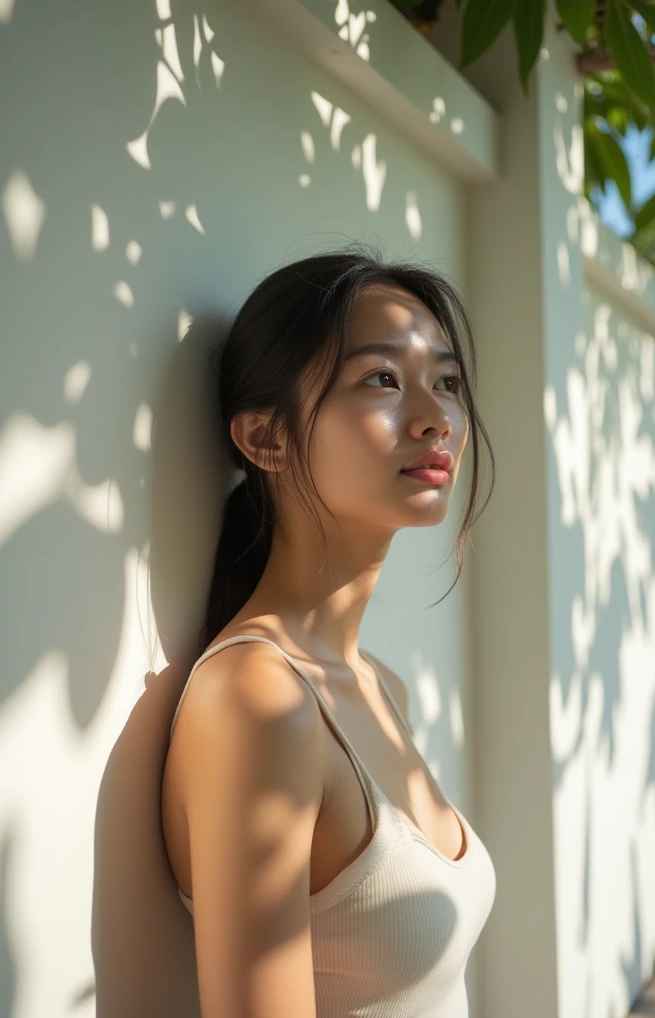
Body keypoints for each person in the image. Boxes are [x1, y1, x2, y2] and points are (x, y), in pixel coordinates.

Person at [161, 247, 497, 1017]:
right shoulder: (256, 703)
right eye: (382, 379)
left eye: (446, 382)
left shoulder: (378, 685)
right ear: (265, 440)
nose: (436, 416)